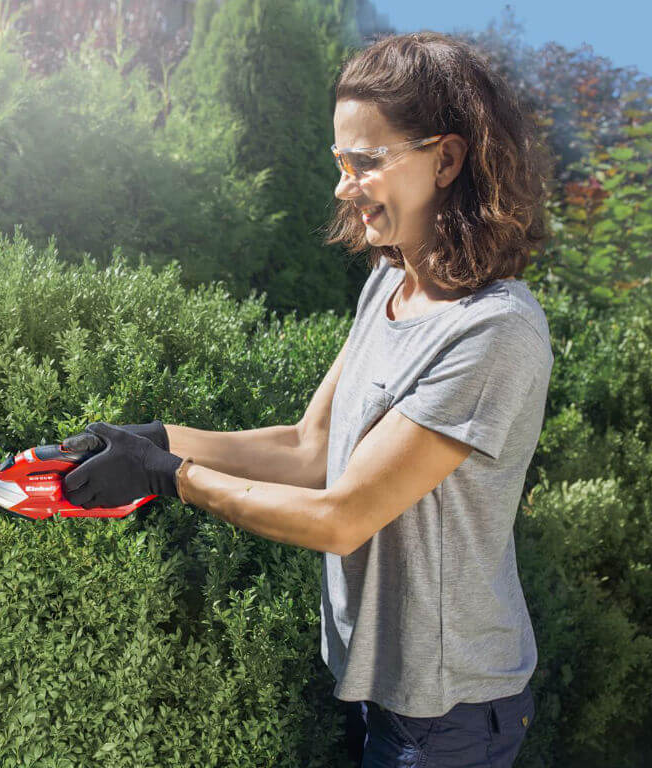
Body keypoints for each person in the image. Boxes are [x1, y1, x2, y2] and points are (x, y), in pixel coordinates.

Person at [61, 30, 554, 768]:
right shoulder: (389, 284)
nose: (342, 186)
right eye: (339, 162)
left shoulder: (493, 331)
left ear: (446, 160)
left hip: (449, 711)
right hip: (379, 686)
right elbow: (309, 447)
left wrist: (169, 479)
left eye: (366, 161)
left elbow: (342, 516)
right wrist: (158, 438)